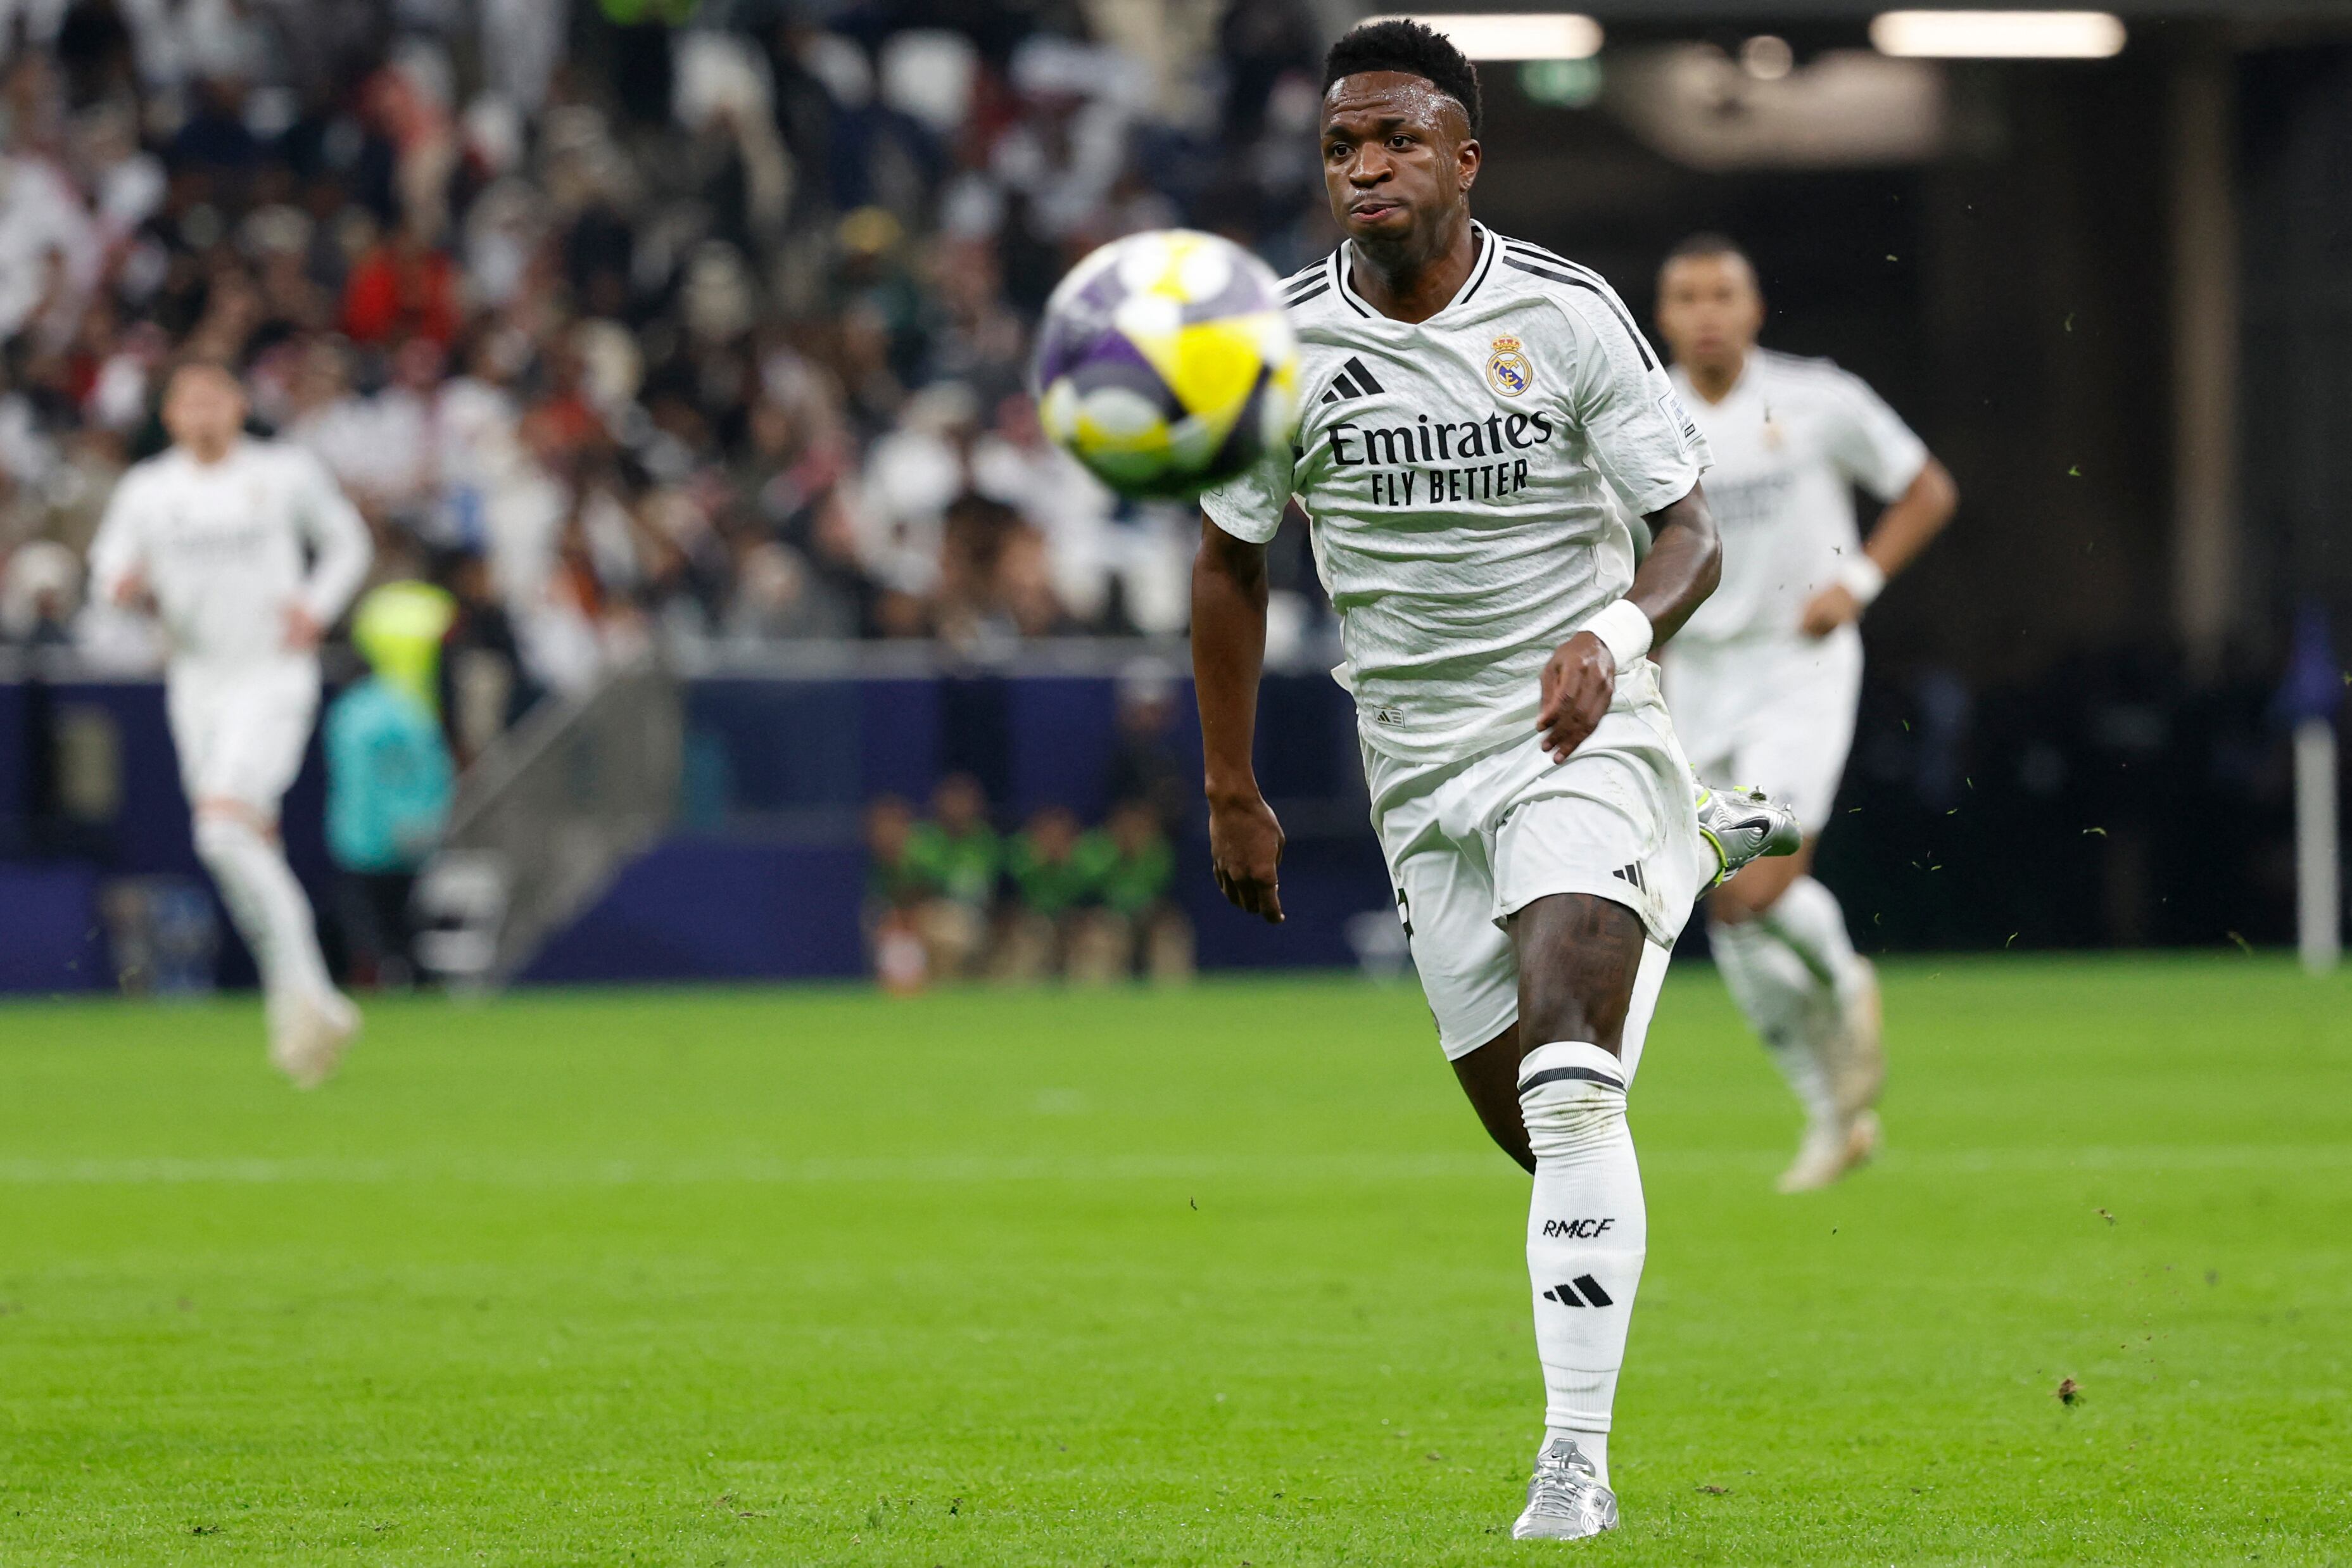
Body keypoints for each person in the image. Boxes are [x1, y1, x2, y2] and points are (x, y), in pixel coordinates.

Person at [1187, 22, 1795, 1542]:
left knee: (1575, 1089)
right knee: (1529, 1132)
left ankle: (1571, 1463)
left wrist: (1605, 633)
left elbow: (1689, 533)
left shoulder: (1568, 313)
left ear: (1464, 157)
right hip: (1415, 768)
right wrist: (1227, 784)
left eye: (1394, 139)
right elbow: (1228, 562)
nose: (1365, 165)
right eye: (1340, 147)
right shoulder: (1279, 350)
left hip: (1577, 729)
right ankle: (1684, 850)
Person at [1652, 234, 1959, 1193]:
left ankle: (1840, 980)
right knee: (1723, 910)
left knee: (1756, 878)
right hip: (1692, 678)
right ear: (1663, 318)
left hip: (1797, 665)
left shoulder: (1818, 398)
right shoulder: (1638, 414)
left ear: (1754, 310)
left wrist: (1858, 580)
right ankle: (1831, 1114)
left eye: (1723, 294)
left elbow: (1925, 487)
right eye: (1687, 297)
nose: (1706, 311)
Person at [86, 360, 374, 1085]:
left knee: (221, 828)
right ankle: (298, 1004)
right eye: (190, 402)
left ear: (240, 406)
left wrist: (316, 603)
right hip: (196, 684)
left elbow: (348, 542)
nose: (204, 413)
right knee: (241, 845)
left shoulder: (283, 473)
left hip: (272, 677)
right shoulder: (150, 490)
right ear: (172, 415)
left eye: (216, 399)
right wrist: (120, 586)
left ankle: (314, 995)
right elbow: (108, 564)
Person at [324, 581, 458, 990]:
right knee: (404, 922)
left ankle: (377, 978)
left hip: (361, 841)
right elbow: (436, 772)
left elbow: (350, 779)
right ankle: (412, 980)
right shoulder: (411, 711)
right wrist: (427, 820)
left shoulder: (349, 714)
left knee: (368, 923)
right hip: (410, 838)